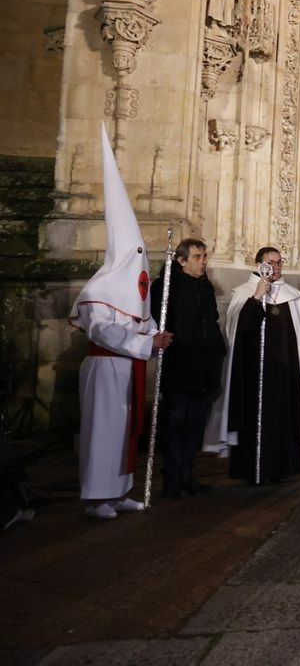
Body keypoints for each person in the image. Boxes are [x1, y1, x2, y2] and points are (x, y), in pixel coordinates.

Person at [70, 125, 172, 519]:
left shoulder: (130, 293)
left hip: (128, 368)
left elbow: (136, 323)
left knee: (126, 431)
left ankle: (120, 488)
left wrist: (154, 334)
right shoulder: (99, 289)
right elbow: (104, 330)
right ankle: (96, 497)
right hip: (105, 367)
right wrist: (146, 343)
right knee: (103, 431)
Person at [209, 247, 300, 483]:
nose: (276, 267)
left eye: (280, 262)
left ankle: (280, 469)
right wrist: (257, 297)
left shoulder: (292, 296)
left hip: (283, 376)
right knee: (252, 422)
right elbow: (238, 332)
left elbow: (299, 339)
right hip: (252, 376)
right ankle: (252, 470)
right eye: (271, 262)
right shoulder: (245, 293)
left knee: (281, 423)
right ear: (259, 264)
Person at [149, 238, 226, 499]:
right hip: (180, 367)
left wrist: (216, 349)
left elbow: (211, 320)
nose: (203, 261)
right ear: (181, 260)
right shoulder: (166, 286)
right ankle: (172, 479)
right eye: (197, 256)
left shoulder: (204, 287)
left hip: (204, 368)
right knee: (176, 425)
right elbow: (159, 320)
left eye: (204, 256)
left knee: (195, 427)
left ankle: (187, 475)